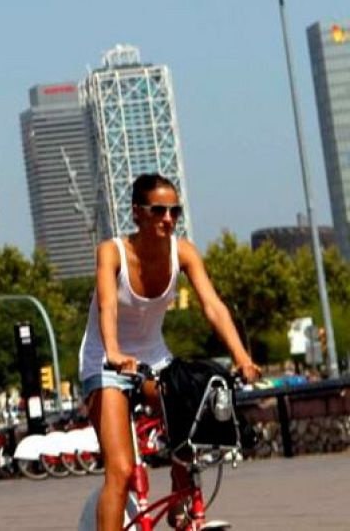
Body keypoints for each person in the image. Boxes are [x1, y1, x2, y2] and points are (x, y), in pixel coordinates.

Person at [80, 174, 261, 531]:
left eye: (174, 211)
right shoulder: (112, 252)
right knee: (121, 470)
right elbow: (107, 306)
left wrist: (242, 357)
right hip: (106, 362)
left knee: (194, 418)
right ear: (137, 213)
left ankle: (181, 505)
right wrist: (114, 351)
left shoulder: (184, 252)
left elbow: (212, 306)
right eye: (158, 210)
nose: (168, 219)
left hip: (154, 359)